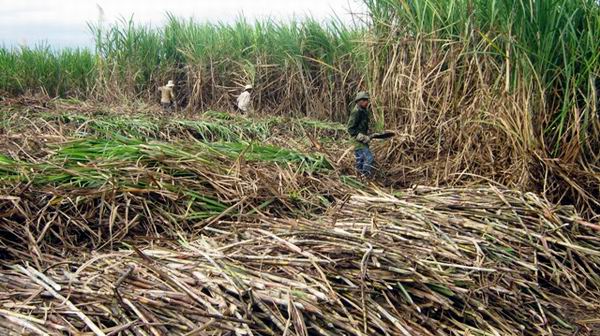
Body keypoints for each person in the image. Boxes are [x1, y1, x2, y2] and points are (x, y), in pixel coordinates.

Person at [347, 91, 375, 178]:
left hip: (362, 141)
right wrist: (362, 137)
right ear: (359, 101)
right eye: (364, 100)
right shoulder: (356, 112)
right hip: (357, 141)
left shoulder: (364, 111)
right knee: (368, 158)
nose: (366, 102)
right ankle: (365, 177)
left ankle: (359, 177)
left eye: (367, 100)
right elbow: (350, 128)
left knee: (360, 160)